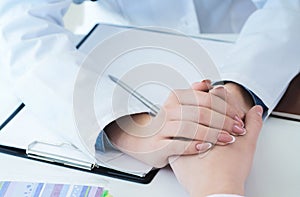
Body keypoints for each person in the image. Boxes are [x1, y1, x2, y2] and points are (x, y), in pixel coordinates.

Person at [0, 0, 299, 195]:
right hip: (115, 67)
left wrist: (234, 93)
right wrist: (127, 126)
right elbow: (21, 25)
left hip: (257, 57)